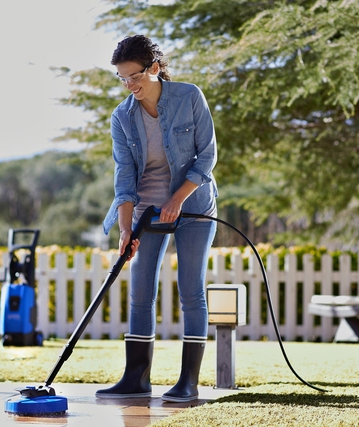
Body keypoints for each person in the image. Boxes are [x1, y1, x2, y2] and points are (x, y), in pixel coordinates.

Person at [96, 35, 218, 403]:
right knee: (140, 291)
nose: (129, 85)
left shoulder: (189, 96)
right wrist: (125, 227)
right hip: (147, 208)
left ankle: (188, 381)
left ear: (153, 68)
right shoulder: (122, 117)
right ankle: (136, 378)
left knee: (191, 290)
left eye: (134, 76)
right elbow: (125, 178)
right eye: (121, 78)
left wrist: (178, 200)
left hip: (194, 204)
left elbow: (206, 156)